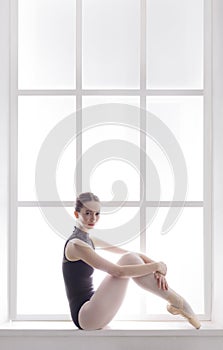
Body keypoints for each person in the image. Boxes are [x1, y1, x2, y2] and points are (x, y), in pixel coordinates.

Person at [62, 192, 201, 330]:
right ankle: (178, 302)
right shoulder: (76, 245)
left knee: (131, 257)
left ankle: (177, 302)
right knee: (129, 260)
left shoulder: (88, 239)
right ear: (76, 214)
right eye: (87, 213)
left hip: (94, 310)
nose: (93, 218)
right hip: (86, 317)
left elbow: (130, 254)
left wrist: (158, 268)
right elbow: (118, 271)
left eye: (97, 214)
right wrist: (156, 266)